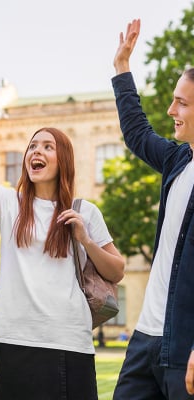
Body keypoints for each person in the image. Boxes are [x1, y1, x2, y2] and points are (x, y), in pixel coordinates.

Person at [0, 62, 125, 400]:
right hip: (16, 339)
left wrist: (85, 241)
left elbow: (116, 270)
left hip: (68, 340)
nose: (37, 151)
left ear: (62, 160)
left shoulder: (84, 211)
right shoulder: (10, 204)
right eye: (33, 146)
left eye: (48, 147)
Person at [112, 19, 194, 399]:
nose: (170, 107)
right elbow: (138, 133)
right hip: (147, 337)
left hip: (184, 348)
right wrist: (122, 70)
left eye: (181, 101)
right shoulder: (179, 161)